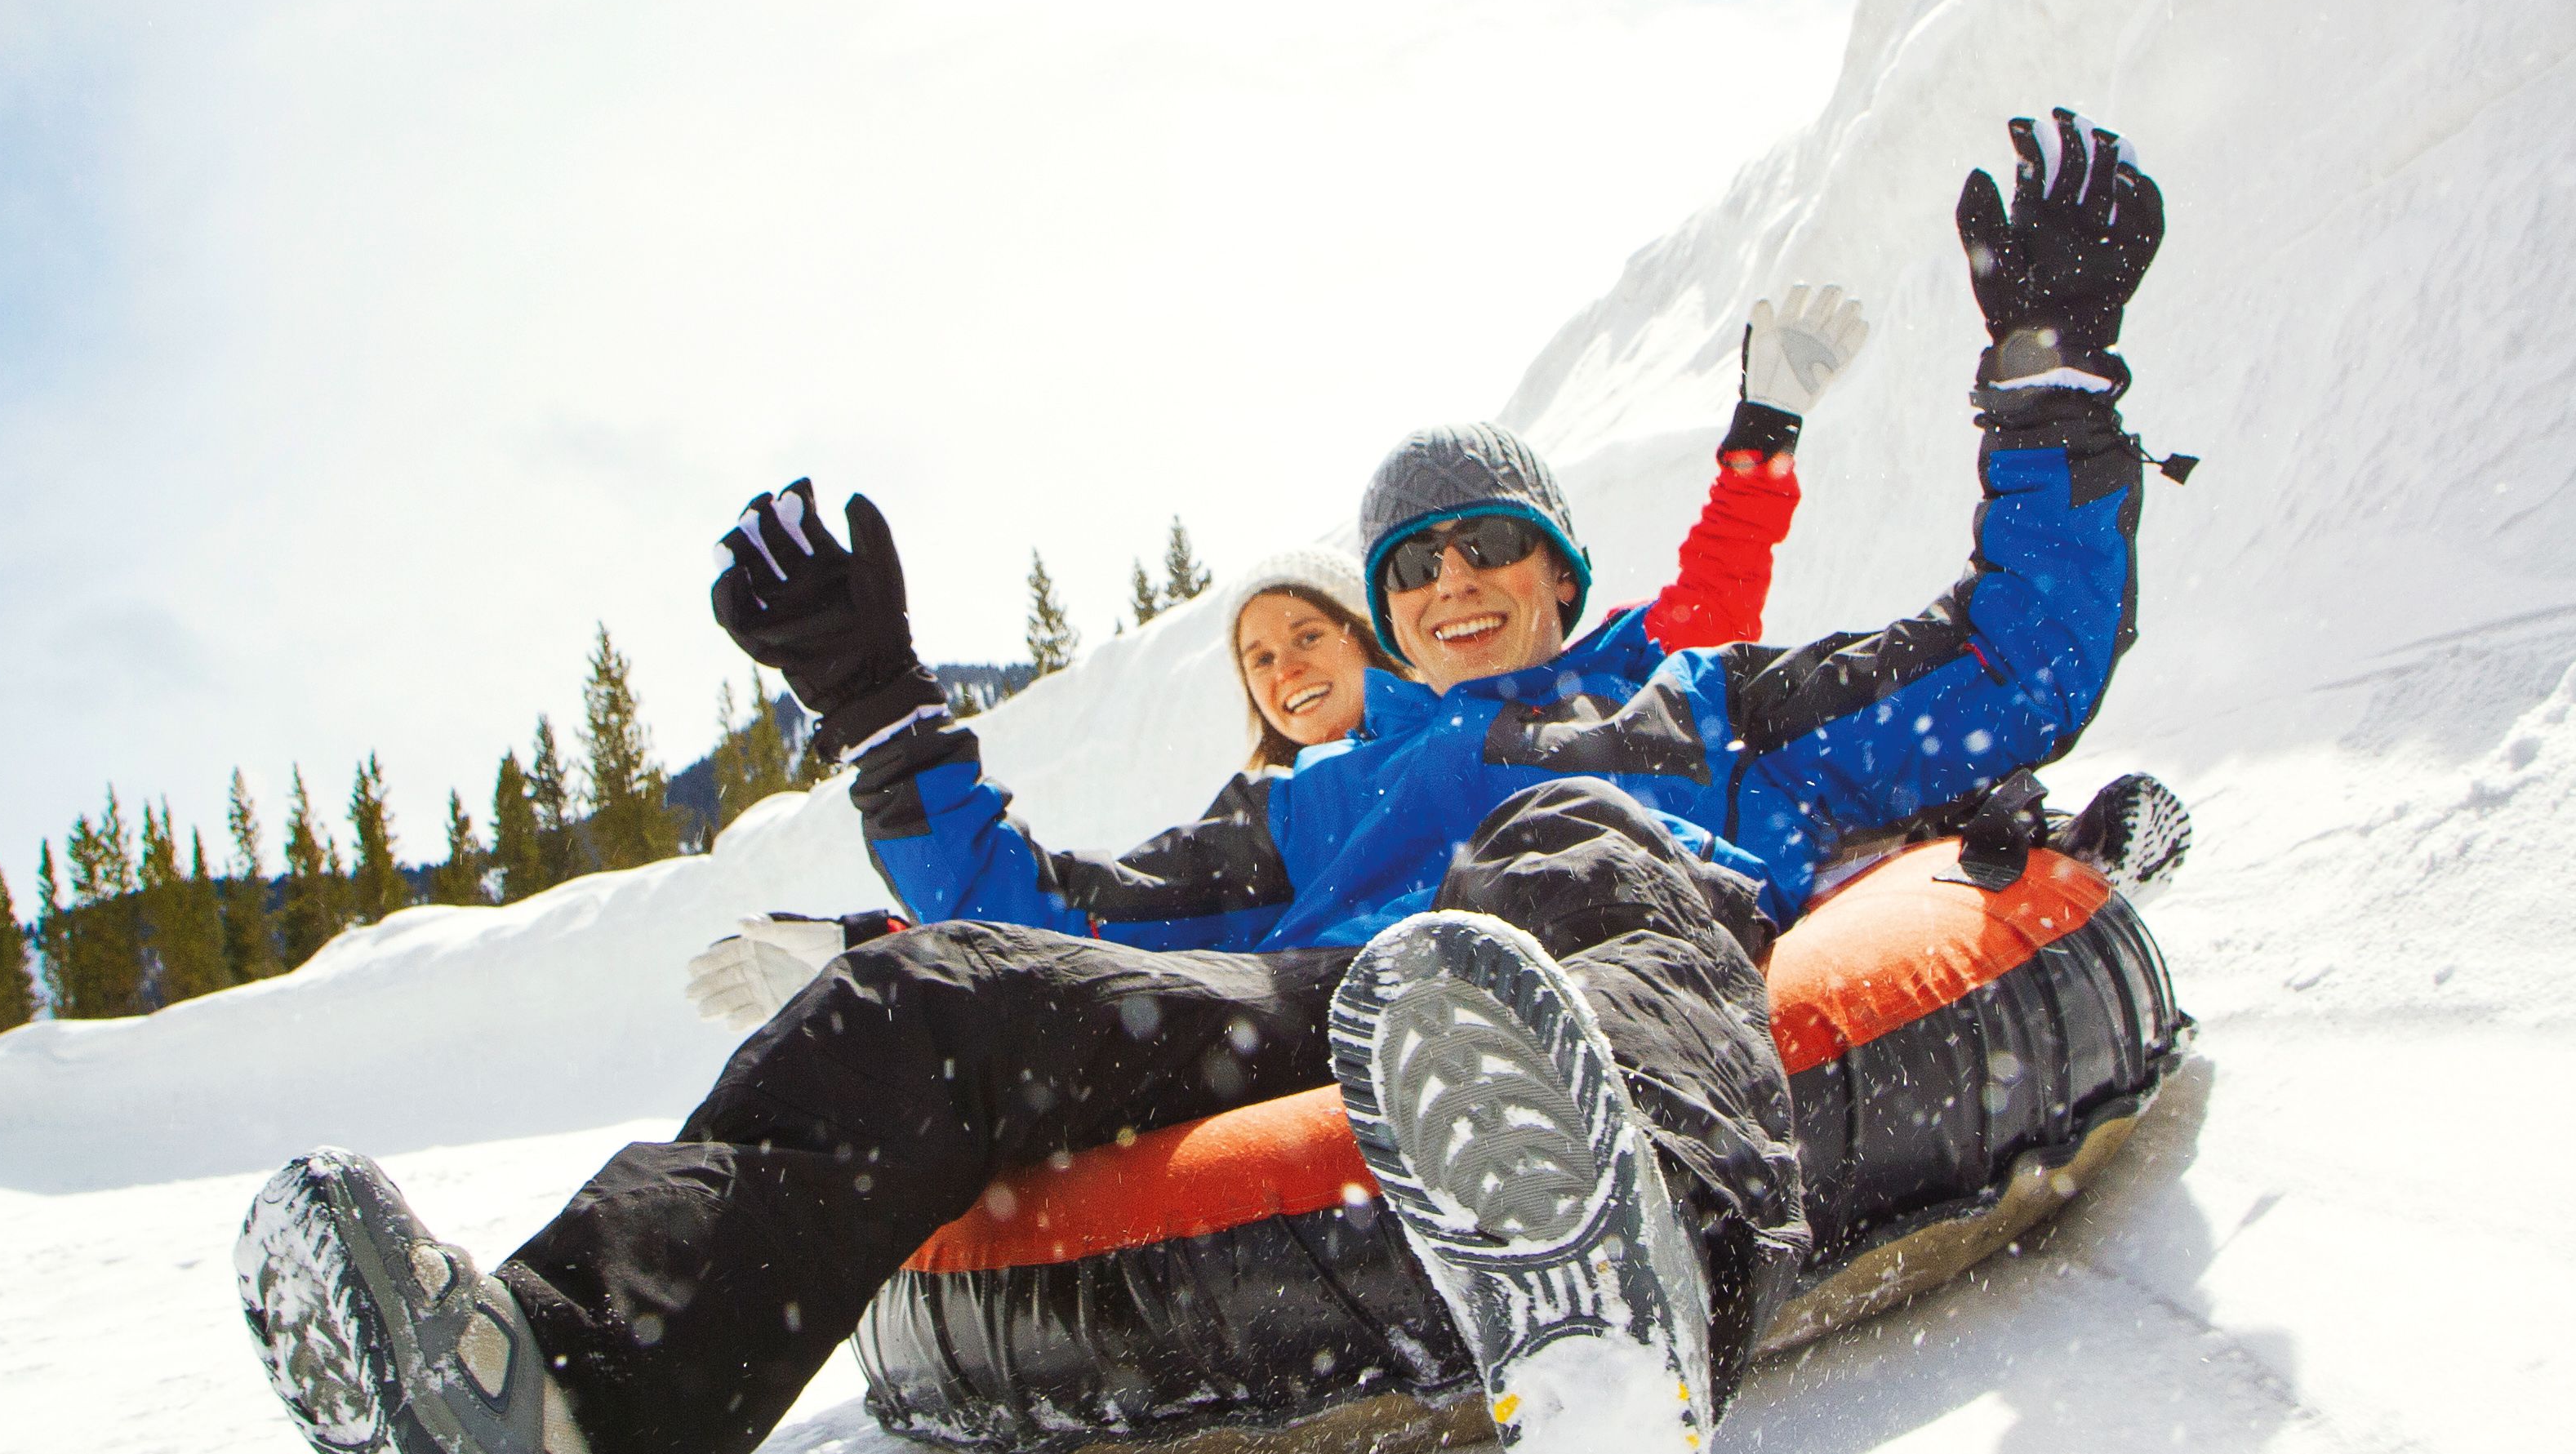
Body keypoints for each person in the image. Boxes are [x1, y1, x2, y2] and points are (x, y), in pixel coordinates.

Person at [238, 110, 2169, 1454]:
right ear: (1393, 619)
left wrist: (2051, 368)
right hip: (1361, 1014)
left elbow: (2020, 664)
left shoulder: (1716, 700)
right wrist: (879, 705)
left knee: (1560, 842)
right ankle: (566, 1433)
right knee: (919, 1000)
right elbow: (1057, 917)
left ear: (1565, 577)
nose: (1452, 583)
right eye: (1414, 567)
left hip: (1610, 974)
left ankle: (1623, 1288)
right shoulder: (1323, 807)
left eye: (1493, 546)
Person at [681, 282, 1871, 1028]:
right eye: (1258, 659)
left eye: (1310, 635)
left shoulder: (1608, 697)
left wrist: (1762, 435)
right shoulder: (1303, 813)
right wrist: (885, 916)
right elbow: (1105, 923)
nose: (1290, 669)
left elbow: (1715, 607)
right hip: (1353, 1022)